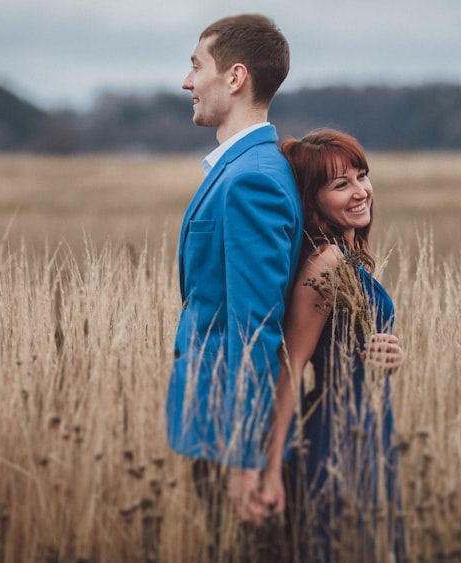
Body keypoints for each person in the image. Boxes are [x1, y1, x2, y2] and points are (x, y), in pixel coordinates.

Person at [165, 13, 302, 560]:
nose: (187, 82)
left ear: (236, 77)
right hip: (214, 425)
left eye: (196, 65)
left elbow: (256, 326)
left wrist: (247, 458)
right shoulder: (247, 169)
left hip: (229, 432)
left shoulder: (251, 181)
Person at [262, 129, 407, 562]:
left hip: (369, 427)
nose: (361, 191)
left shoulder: (345, 257)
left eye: (362, 176)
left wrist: (386, 355)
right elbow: (292, 363)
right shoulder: (325, 263)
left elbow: (348, 348)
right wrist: (271, 471)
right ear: (313, 202)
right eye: (340, 185)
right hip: (337, 433)